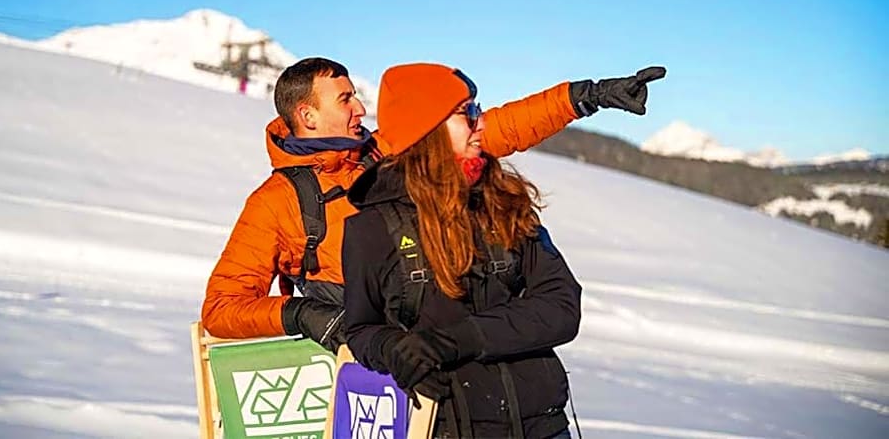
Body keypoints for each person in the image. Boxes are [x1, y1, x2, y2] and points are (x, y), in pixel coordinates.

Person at [202, 57, 665, 353]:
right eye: (345, 99)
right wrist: (302, 315)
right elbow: (221, 309)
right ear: (307, 115)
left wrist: (582, 98)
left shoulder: (388, 152)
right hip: (360, 368)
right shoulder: (278, 202)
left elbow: (489, 130)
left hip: (441, 342)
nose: (360, 109)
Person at [343, 62, 589, 438]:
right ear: (427, 128)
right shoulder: (371, 228)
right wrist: (395, 348)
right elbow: (361, 328)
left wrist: (456, 340)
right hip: (446, 426)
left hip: (543, 426)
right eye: (468, 113)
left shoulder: (504, 203)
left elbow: (562, 305)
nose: (481, 124)